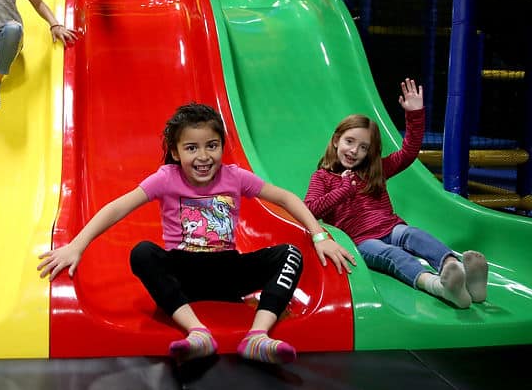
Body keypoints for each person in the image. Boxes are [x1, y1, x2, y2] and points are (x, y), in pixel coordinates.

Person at [37, 103, 356, 364]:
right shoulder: (166, 178)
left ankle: (257, 336)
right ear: (176, 153)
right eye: (192, 148)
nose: (203, 157)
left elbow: (286, 198)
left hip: (228, 271)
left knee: (290, 254)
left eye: (211, 146)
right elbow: (117, 208)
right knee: (142, 253)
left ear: (221, 147)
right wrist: (76, 246)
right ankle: (197, 333)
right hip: (183, 271)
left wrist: (319, 236)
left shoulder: (235, 177)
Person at [304, 78, 489, 309]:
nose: (354, 151)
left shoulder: (375, 170)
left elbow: (409, 152)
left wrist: (415, 114)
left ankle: (461, 273)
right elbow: (310, 209)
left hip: (391, 228)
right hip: (361, 241)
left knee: (414, 234)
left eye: (364, 147)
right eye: (349, 142)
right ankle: (440, 287)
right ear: (335, 140)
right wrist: (343, 191)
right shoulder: (322, 177)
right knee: (393, 255)